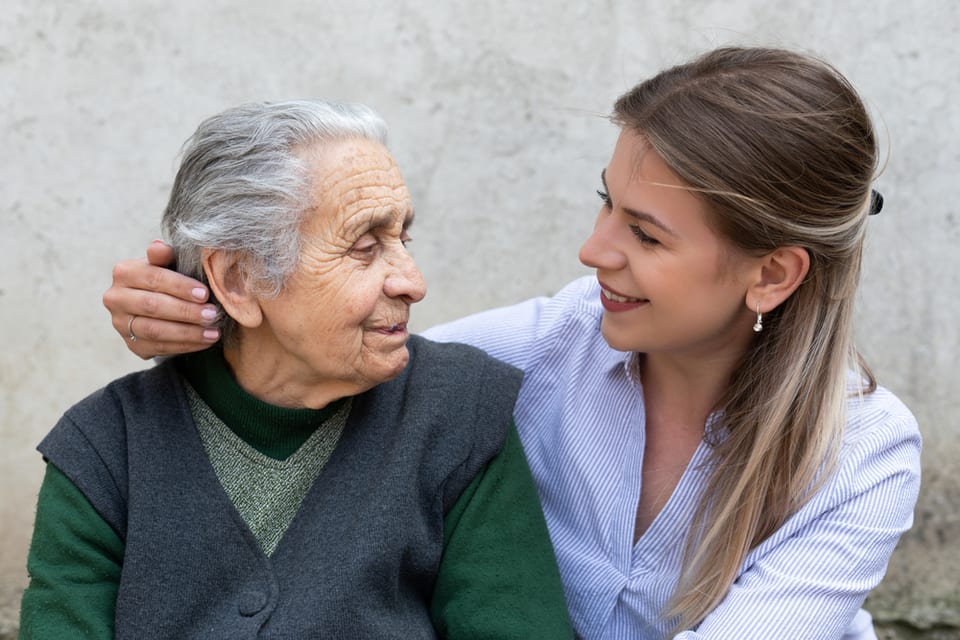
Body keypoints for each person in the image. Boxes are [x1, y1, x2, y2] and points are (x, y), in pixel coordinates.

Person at [99, 47, 922, 639]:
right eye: (606, 204)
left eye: (644, 233)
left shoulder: (861, 456)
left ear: (772, 274)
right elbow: (327, 349)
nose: (594, 250)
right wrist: (198, 305)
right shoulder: (551, 346)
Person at [20, 100, 574, 639]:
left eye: (402, 237)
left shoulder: (461, 412)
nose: (413, 281)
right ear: (239, 280)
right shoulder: (104, 450)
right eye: (364, 245)